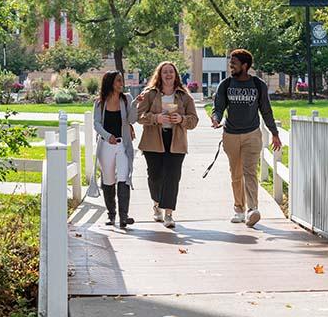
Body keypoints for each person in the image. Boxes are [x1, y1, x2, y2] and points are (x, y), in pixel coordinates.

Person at [211, 49, 281, 228]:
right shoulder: (226, 84)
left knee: (249, 171)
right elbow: (218, 107)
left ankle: (252, 210)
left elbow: (266, 110)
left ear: (245, 65)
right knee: (236, 173)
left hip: (252, 134)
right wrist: (216, 119)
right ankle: (239, 209)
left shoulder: (258, 85)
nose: (231, 66)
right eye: (230, 63)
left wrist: (274, 133)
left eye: (234, 63)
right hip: (231, 135)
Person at [137, 62, 199, 228]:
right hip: (153, 141)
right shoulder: (150, 94)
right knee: (155, 176)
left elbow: (194, 120)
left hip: (176, 141)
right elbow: (139, 115)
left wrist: (181, 119)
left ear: (176, 74)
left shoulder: (184, 96)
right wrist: (155, 118)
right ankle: (156, 204)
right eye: (165, 72)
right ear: (160, 75)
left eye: (171, 71)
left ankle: (169, 214)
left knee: (172, 176)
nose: (168, 74)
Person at [93, 71, 139, 228]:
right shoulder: (100, 102)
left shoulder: (127, 99)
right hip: (106, 146)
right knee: (108, 180)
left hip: (123, 145)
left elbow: (132, 119)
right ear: (110, 83)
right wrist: (107, 136)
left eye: (122, 80)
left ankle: (123, 217)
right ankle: (111, 215)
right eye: (118, 81)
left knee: (124, 177)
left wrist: (135, 105)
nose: (122, 83)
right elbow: (96, 123)